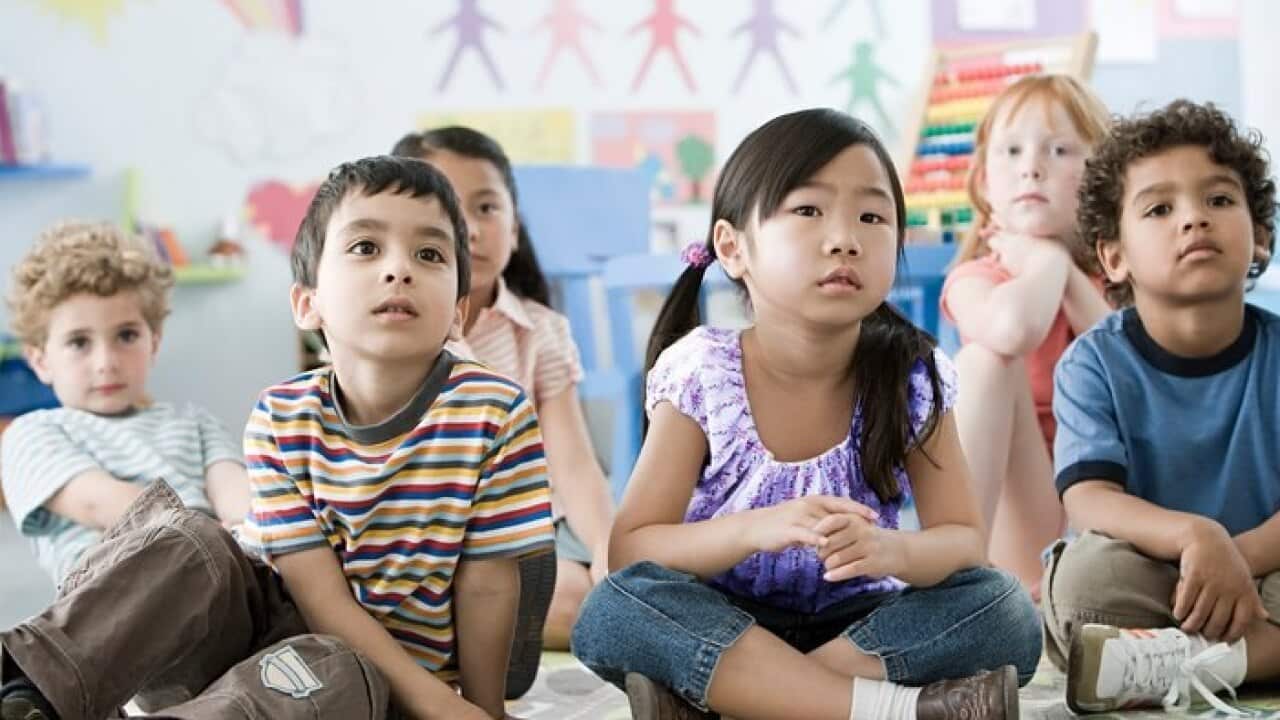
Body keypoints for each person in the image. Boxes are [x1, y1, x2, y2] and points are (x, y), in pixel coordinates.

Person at [0, 157, 554, 720]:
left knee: (336, 669)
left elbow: (488, 584)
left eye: (429, 254)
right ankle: (28, 692)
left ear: (458, 313)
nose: (398, 269)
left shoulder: (495, 412)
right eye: (366, 247)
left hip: (346, 684)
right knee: (193, 537)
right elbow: (319, 596)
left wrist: (480, 710)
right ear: (307, 304)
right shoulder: (281, 417)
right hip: (245, 631)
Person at [571, 109, 1041, 720]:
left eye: (871, 217)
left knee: (1004, 609)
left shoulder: (910, 375)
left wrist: (891, 551)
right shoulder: (703, 371)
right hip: (724, 621)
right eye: (809, 210)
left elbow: (962, 540)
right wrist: (754, 529)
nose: (844, 238)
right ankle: (889, 710)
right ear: (733, 248)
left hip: (861, 630)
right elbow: (633, 548)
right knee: (615, 609)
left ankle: (746, 698)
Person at [1042, 100, 1280, 715]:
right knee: (1084, 583)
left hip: (1267, 568)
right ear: (1113, 257)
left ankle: (1198, 662)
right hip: (1155, 576)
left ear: (1260, 235)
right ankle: (1241, 651)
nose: (1194, 218)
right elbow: (1089, 499)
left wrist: (1230, 559)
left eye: (1219, 200)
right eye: (1160, 209)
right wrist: (1195, 537)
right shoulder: (1093, 363)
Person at [392, 128, 614, 661]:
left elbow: (574, 466)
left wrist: (611, 555)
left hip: (531, 530)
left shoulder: (542, 331)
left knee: (583, 598)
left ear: (514, 229)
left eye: (487, 207)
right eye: (448, 207)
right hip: (422, 535)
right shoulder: (391, 325)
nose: (470, 227)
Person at [1, 221, 247, 585]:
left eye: (126, 335)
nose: (106, 362)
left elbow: (237, 494)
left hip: (222, 578)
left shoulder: (196, 424)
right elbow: (99, 503)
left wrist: (251, 527)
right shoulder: (31, 434)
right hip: (119, 594)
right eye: (79, 342)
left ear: (154, 343)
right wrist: (211, 538)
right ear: (40, 360)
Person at [940, 75, 1112, 595]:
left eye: (1059, 150)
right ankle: (954, 584)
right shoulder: (976, 280)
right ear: (985, 183)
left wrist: (1066, 272)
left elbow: (1130, 363)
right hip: (1028, 525)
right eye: (1012, 150)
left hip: (1112, 512)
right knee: (984, 361)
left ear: (1102, 177)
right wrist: (1045, 261)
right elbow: (1013, 330)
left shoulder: (1122, 280)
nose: (1031, 166)